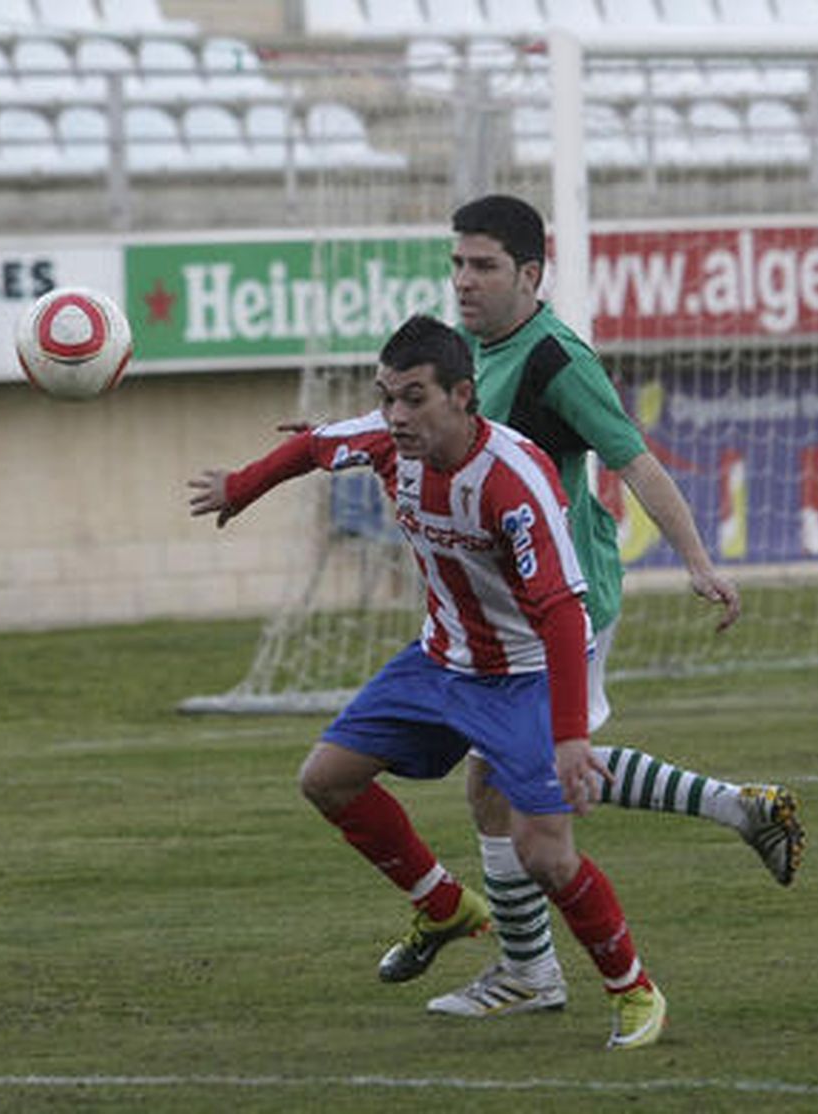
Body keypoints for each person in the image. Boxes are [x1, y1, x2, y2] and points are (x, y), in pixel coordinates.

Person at [187, 314, 668, 1050]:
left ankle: (634, 991)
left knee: (544, 852)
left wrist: (570, 736)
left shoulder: (515, 480)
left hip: (522, 678)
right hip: (439, 661)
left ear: (463, 396)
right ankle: (444, 906)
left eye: (413, 398)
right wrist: (241, 486)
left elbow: (564, 617)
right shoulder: (390, 444)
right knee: (326, 779)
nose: (396, 416)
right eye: (386, 398)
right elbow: (315, 446)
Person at [424, 194, 805, 1022]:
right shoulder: (467, 353)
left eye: (484, 266)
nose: (465, 281)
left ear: (530, 274)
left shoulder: (556, 359)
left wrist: (698, 560)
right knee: (504, 778)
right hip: (508, 599)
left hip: (566, 596)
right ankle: (737, 808)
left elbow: (634, 462)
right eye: (458, 264)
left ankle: (531, 973)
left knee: (514, 781)